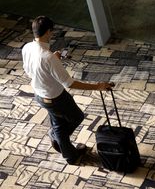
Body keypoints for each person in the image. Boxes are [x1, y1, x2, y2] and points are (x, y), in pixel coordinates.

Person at [22, 15, 114, 165]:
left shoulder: (28, 48)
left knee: (58, 124)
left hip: (39, 95)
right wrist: (98, 86)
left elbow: (30, 70)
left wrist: (54, 60)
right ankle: (63, 145)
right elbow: (69, 83)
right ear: (48, 32)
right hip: (55, 98)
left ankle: (69, 152)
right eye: (51, 31)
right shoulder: (48, 57)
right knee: (76, 117)